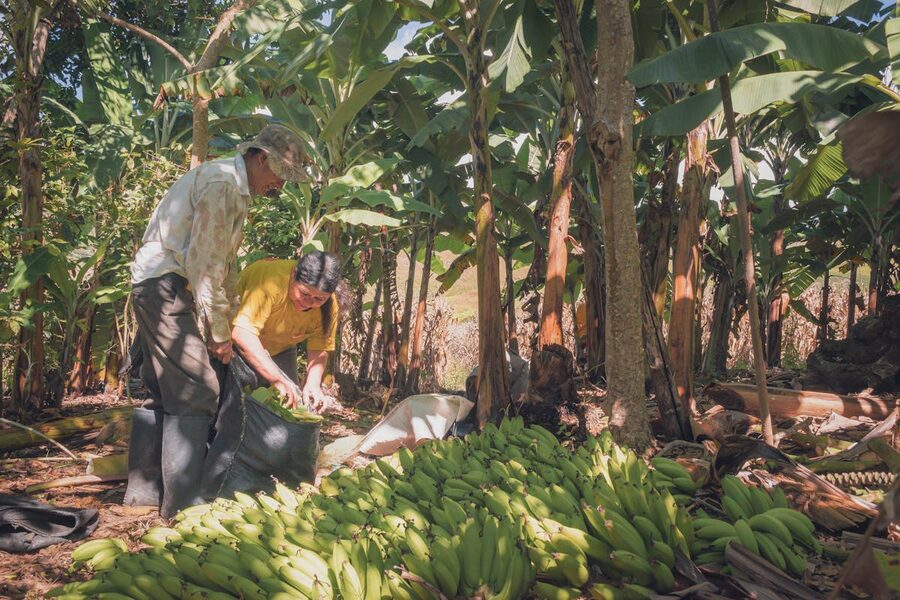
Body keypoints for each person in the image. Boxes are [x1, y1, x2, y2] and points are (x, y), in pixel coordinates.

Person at [124, 124, 310, 517]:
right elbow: (205, 265)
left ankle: (143, 494)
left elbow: (222, 267)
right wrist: (220, 333)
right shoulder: (223, 183)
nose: (280, 185)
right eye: (279, 175)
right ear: (261, 158)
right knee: (196, 388)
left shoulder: (234, 190)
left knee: (168, 389)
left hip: (166, 283)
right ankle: (182, 509)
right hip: (167, 283)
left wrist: (219, 320)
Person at [231, 252, 343, 413]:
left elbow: (319, 347)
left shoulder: (330, 306)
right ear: (293, 275)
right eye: (304, 293)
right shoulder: (270, 281)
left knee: (290, 402)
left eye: (319, 299)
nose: (309, 302)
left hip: (281, 347)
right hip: (233, 342)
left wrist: (313, 383)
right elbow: (242, 333)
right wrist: (277, 378)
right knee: (235, 403)